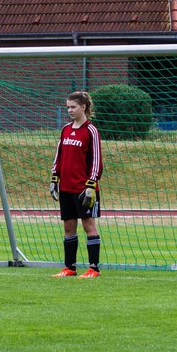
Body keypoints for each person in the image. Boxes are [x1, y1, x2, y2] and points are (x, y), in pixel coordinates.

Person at [49, 90, 103, 278]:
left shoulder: (91, 131)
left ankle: (93, 268)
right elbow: (59, 155)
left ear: (83, 107)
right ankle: (69, 267)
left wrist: (91, 185)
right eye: (68, 107)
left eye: (73, 107)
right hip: (66, 188)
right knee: (68, 227)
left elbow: (97, 160)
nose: (70, 110)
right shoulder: (65, 129)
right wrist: (54, 177)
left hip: (83, 189)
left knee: (89, 225)